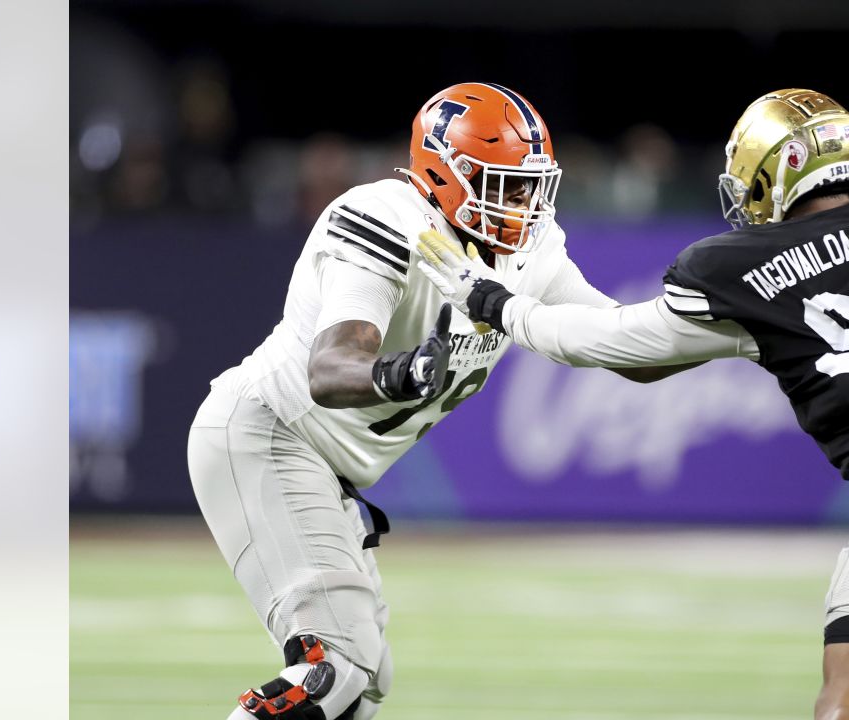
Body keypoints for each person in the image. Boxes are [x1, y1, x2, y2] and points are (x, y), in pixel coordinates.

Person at [417, 89, 849, 719]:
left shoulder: (739, 270)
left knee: (847, 710)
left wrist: (497, 304)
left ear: (775, 174)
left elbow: (606, 342)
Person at [187, 82, 684, 720]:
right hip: (271, 433)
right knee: (332, 669)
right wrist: (411, 370)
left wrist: (720, 325)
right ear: (445, 174)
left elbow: (627, 349)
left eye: (530, 184)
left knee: (360, 689)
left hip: (325, 468)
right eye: (501, 182)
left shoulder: (531, 249)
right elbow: (331, 367)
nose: (523, 203)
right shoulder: (387, 218)